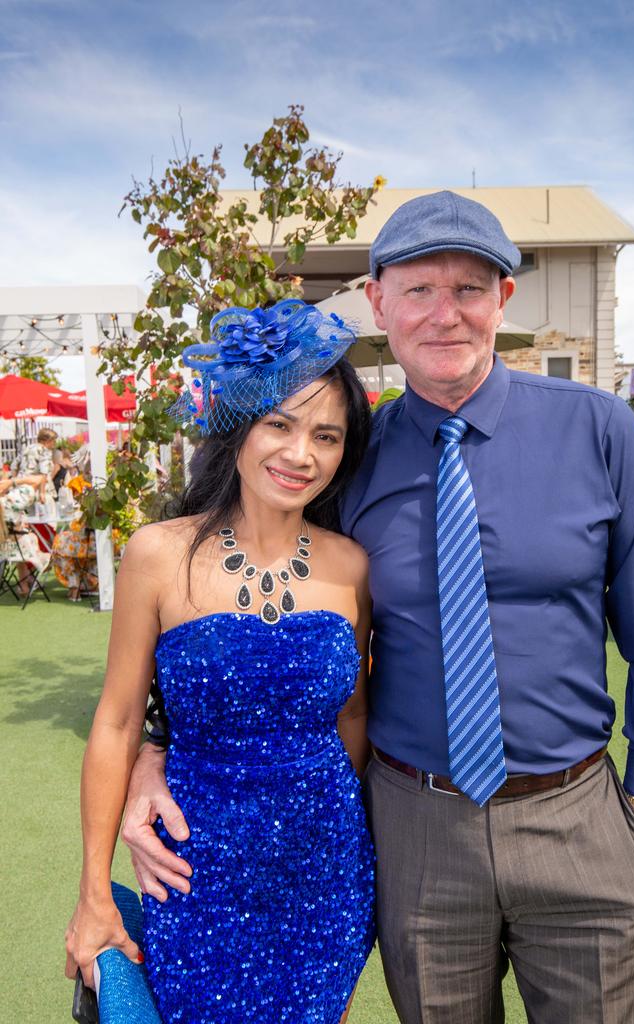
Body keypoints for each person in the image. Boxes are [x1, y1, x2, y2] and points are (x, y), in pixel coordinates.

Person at [123, 191, 634, 1024]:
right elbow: (231, 612)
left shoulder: (601, 430)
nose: (446, 315)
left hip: (578, 818)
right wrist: (156, 748)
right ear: (377, 302)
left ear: (505, 299)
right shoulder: (342, 459)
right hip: (412, 829)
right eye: (420, 290)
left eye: (469, 289)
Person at [65, 300, 376, 1023]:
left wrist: (331, 831)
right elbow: (115, 723)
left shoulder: (353, 566)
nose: (302, 454)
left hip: (326, 877)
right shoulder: (156, 553)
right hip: (193, 872)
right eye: (281, 424)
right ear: (239, 427)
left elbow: (354, 717)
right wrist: (93, 889)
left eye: (326, 436)